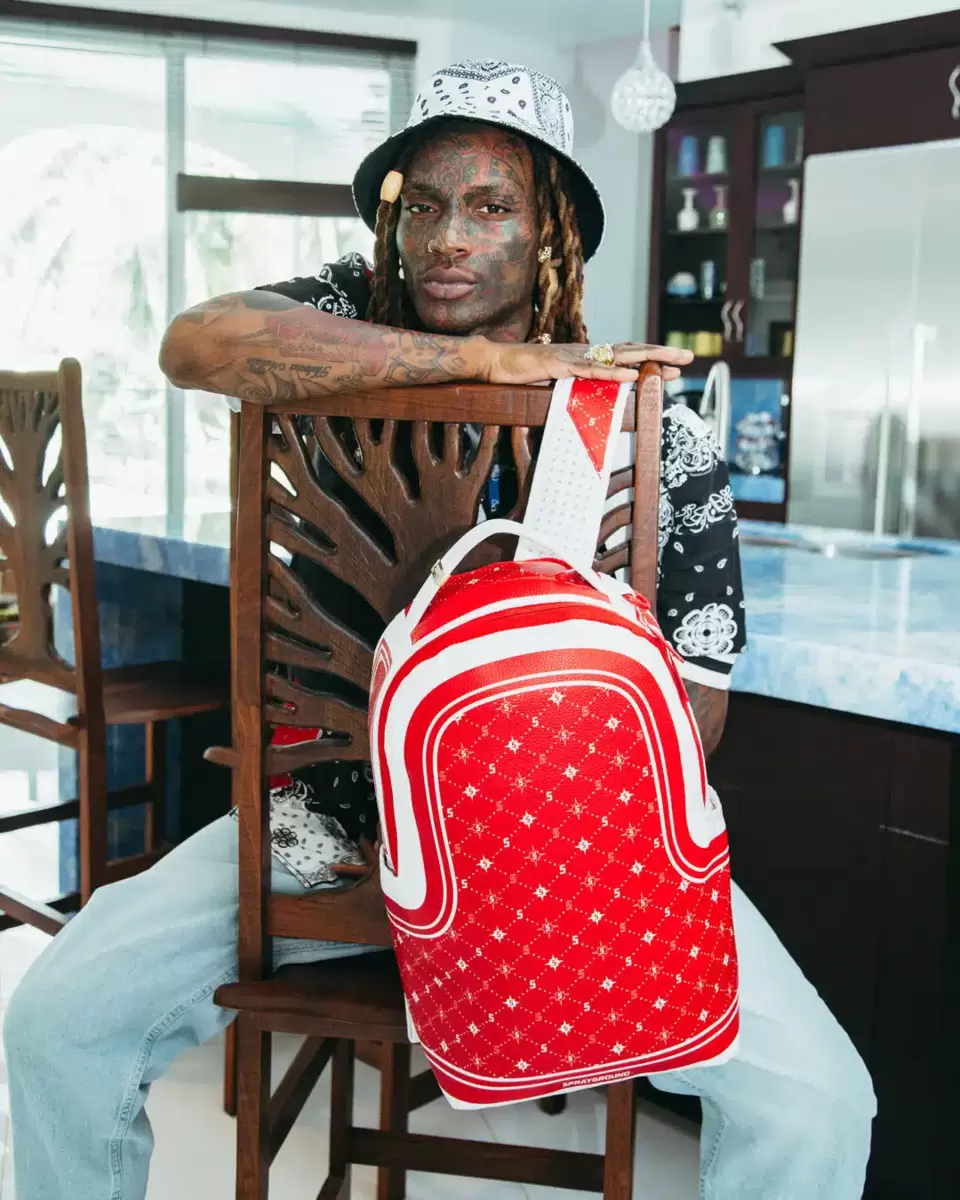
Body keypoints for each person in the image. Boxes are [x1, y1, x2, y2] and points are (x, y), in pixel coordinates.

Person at [3, 60, 874, 1200]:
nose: (446, 238)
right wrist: (483, 362)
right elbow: (196, 343)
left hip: (565, 861)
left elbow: (694, 712)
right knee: (57, 1017)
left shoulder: (660, 434)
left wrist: (518, 838)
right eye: (422, 206)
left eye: (490, 206)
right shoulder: (346, 330)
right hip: (327, 832)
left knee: (818, 1101)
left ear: (551, 229)